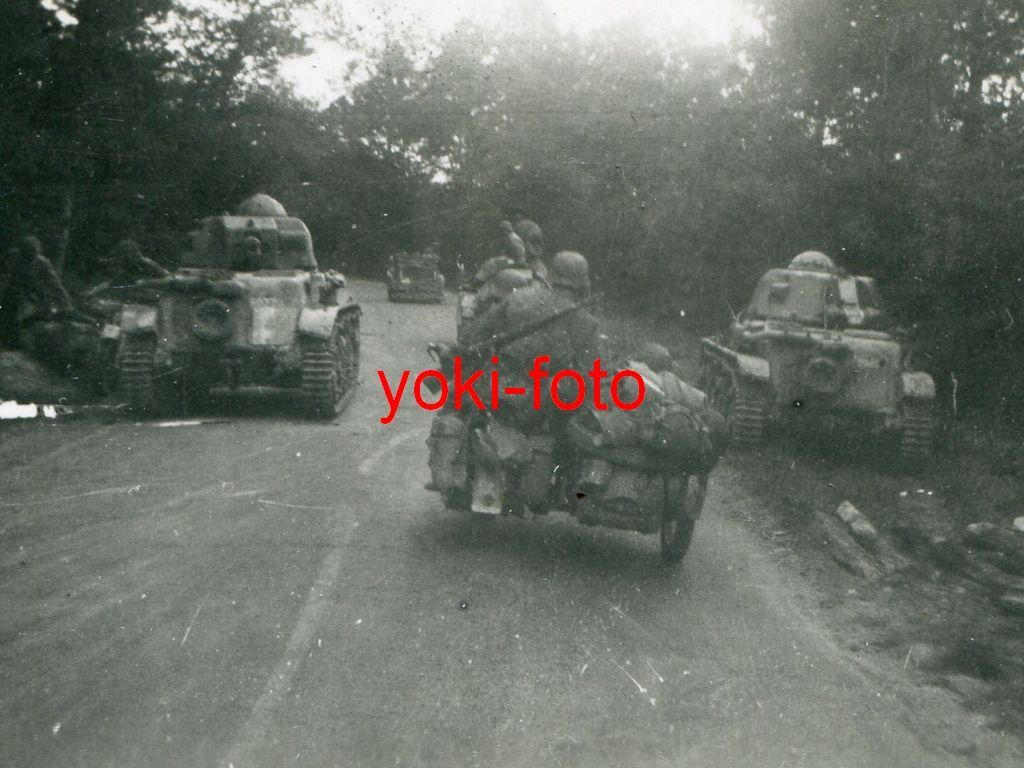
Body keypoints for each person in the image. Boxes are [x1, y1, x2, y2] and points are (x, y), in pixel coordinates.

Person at [0, 235, 75, 349]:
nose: (29, 258)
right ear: (21, 251)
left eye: (32, 254)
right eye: (26, 254)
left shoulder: (42, 263)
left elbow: (54, 283)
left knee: (22, 316)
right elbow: (3, 269)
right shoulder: (12, 256)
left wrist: (66, 300)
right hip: (12, 289)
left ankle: (15, 344)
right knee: (5, 311)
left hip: (32, 295)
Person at [103, 239, 169, 286]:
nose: (129, 256)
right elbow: (111, 282)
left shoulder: (147, 262)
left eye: (132, 254)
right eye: (126, 254)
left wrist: (147, 282)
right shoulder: (124, 263)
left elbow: (169, 277)